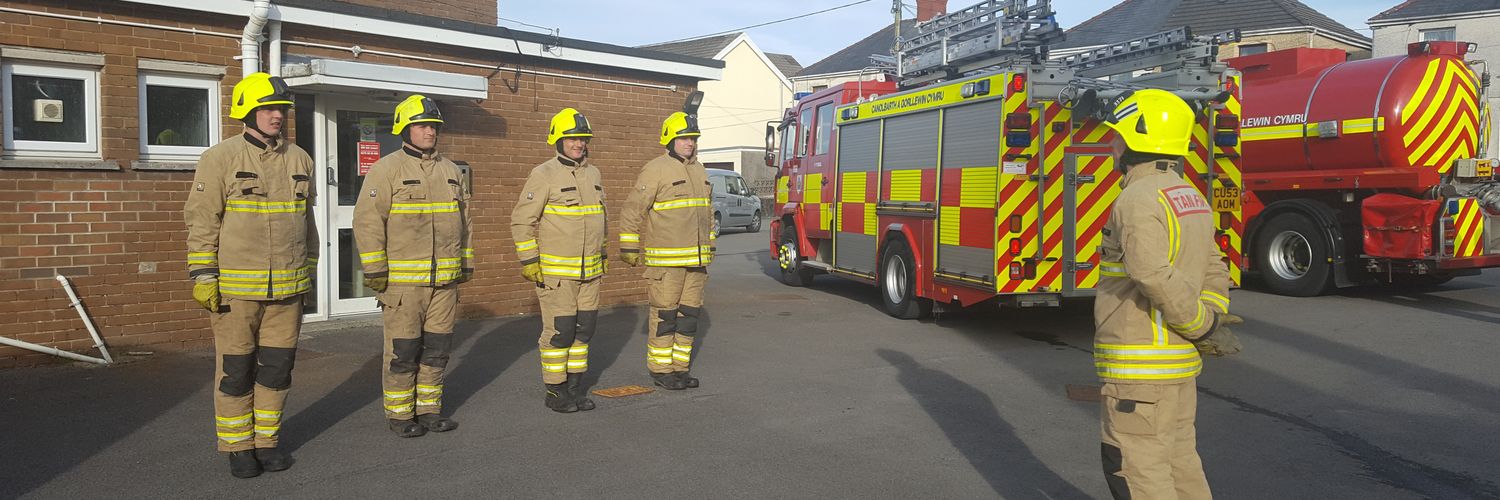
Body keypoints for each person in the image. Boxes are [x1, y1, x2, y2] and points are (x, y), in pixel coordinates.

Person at [1092, 88, 1243, 499]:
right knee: (1179, 463)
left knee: (1137, 469)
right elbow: (1214, 266)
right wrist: (1210, 317)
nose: (1113, 143)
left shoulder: (1136, 199)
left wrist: (1201, 325)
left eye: (1118, 135)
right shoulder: (1188, 194)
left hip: (1140, 372)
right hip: (1177, 368)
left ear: (1137, 140)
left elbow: (1150, 273)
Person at [184, 72, 317, 478]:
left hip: (287, 292)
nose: (277, 116)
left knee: (277, 370)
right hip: (236, 292)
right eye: (268, 109)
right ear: (247, 111)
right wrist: (203, 274)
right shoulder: (220, 158)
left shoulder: (300, 159)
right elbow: (202, 220)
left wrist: (309, 271)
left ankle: (267, 442)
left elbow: (307, 223)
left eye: (281, 109)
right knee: (236, 371)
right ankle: (238, 447)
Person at [354, 95, 471, 437]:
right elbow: (368, 221)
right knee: (403, 351)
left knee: (437, 350)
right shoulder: (386, 169)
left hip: (444, 283)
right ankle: (401, 414)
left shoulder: (451, 171)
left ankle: (429, 410)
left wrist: (466, 263)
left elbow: (465, 223)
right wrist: (375, 268)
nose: (429, 132)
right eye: (422, 126)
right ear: (404, 129)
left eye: (433, 126)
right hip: (403, 286)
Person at [510, 107, 606, 413]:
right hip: (557, 275)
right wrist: (529, 260)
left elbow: (600, 218)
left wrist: (603, 253)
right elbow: (521, 221)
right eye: (572, 138)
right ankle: (555, 391)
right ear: (558, 140)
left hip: (590, 273)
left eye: (583, 138)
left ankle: (575, 389)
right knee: (560, 333)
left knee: (583, 331)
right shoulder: (543, 174)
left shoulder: (593, 174)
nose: (579, 143)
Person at [619, 110, 714, 390]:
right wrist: (629, 245)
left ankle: (680, 369)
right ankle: (661, 371)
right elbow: (633, 209)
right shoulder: (656, 169)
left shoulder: (699, 170)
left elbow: (707, 213)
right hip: (666, 264)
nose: (690, 143)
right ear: (670, 140)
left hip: (696, 263)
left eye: (693, 138)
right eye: (684, 138)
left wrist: (710, 245)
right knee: (665, 318)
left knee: (688, 319)